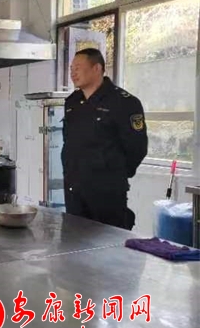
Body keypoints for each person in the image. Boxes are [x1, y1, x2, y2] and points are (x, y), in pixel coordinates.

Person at [62, 48, 148, 230]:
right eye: (71, 68)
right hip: (75, 191)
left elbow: (137, 147)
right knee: (74, 242)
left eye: (78, 67)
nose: (73, 72)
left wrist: (114, 174)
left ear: (97, 68)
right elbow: (69, 142)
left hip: (107, 193)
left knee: (107, 243)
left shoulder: (124, 102)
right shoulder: (72, 102)